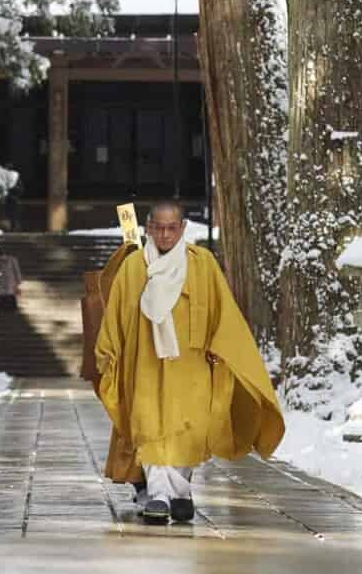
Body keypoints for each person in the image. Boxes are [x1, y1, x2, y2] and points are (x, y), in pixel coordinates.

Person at [94, 201, 284, 524]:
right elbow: (116, 316)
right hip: (146, 366)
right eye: (159, 228)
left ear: (182, 228)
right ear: (148, 228)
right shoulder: (134, 267)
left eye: (172, 228)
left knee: (188, 431)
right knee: (151, 428)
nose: (165, 235)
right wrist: (109, 354)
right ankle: (158, 497)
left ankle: (180, 491)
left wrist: (222, 350)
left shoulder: (203, 264)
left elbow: (223, 313)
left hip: (191, 365)